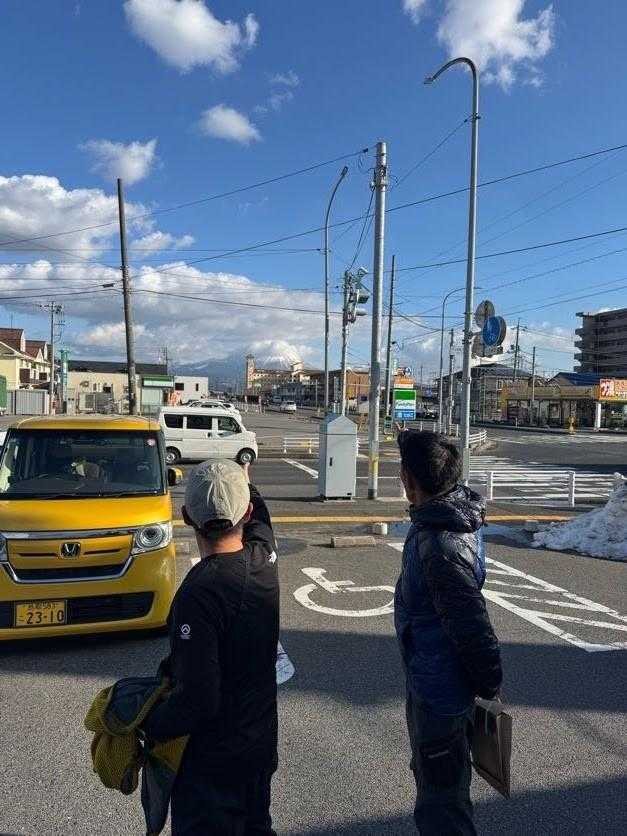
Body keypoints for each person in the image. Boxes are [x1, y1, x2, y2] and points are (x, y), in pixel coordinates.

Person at [142, 458, 279, 836]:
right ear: (246, 513)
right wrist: (247, 482)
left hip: (213, 765)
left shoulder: (198, 595)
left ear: (186, 516)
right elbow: (262, 520)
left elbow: (199, 699)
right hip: (259, 746)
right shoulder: (264, 558)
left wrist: (149, 724)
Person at [394, 431, 502, 836]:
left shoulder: (441, 544)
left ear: (410, 479)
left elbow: (473, 627)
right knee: (436, 778)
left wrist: (488, 687)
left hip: (441, 692)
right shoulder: (444, 515)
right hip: (430, 675)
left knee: (442, 804)